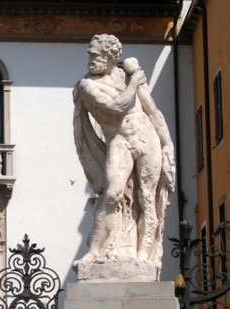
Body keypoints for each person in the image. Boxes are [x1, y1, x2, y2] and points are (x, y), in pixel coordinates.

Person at [73, 34, 175, 270]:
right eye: (90, 54)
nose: (91, 59)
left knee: (147, 199)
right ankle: (94, 252)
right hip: (119, 139)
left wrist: (167, 142)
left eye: (96, 55)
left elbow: (152, 111)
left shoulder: (126, 73)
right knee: (112, 195)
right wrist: (135, 80)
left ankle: (143, 257)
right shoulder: (88, 85)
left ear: (110, 57)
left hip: (147, 137)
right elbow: (114, 107)